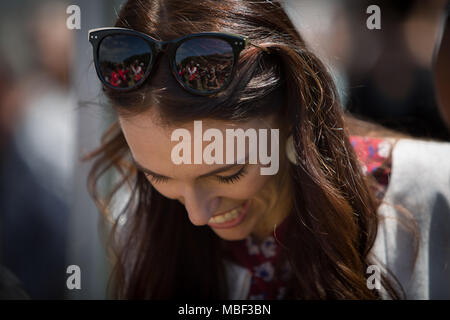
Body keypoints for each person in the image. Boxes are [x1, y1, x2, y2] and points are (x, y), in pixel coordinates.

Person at [85, 0, 450, 299]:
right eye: (158, 176)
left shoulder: (434, 195)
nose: (197, 214)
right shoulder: (143, 229)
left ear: (291, 112)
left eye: (228, 173)